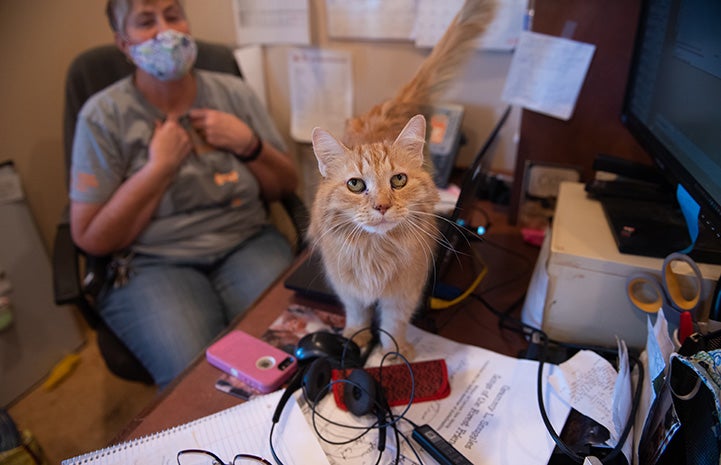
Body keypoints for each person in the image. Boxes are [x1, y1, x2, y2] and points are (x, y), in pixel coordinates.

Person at [69, 0, 299, 388]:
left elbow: (286, 185)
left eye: (173, 15)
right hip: (154, 264)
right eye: (146, 22)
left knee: (290, 350)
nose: (165, 31)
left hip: (246, 243)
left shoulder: (233, 94)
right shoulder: (103, 116)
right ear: (124, 44)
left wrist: (249, 145)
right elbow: (91, 236)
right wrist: (158, 169)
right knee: (198, 383)